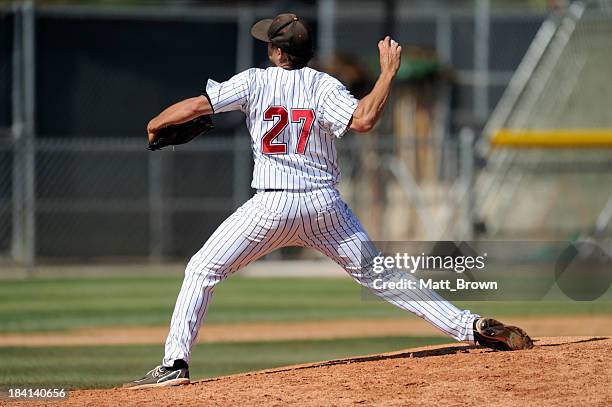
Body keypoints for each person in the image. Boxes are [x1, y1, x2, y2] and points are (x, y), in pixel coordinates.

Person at [125, 13, 532, 390]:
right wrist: (387, 73)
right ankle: (470, 325)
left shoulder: (254, 81)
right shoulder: (324, 85)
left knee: (202, 270)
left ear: (279, 52)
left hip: (271, 207)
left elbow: (198, 105)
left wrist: (155, 122)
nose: (268, 46)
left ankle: (175, 364)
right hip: (324, 207)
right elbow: (365, 120)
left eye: (271, 42)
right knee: (383, 276)